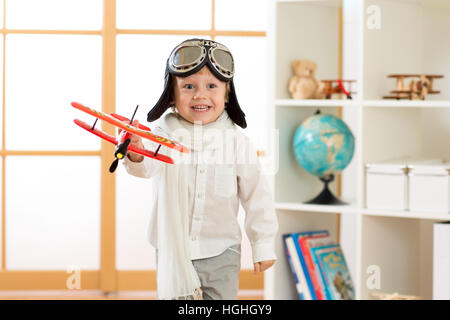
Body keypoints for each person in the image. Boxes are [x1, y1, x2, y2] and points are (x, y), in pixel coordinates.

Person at [122, 38, 278, 300]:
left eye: (212, 86)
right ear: (171, 95)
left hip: (222, 251)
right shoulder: (162, 136)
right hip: (173, 249)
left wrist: (262, 245)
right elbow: (145, 168)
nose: (200, 95)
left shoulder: (237, 142)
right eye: (188, 86)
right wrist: (135, 150)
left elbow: (257, 197)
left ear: (227, 95)